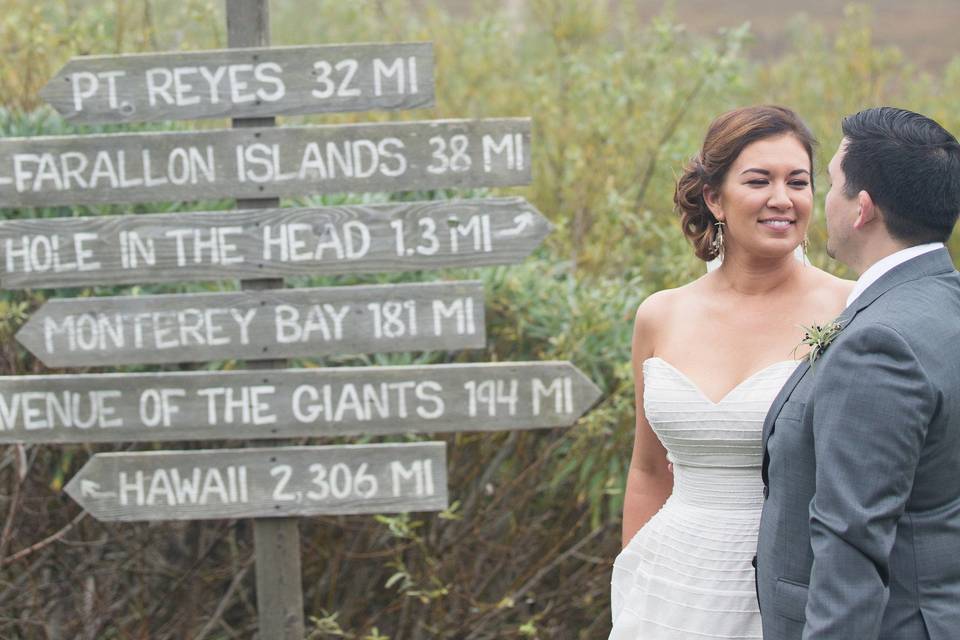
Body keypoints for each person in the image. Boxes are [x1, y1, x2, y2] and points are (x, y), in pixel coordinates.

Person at [610, 105, 852, 639]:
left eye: (798, 182)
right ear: (714, 198)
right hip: (669, 587)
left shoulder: (851, 312)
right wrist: (634, 585)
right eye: (758, 181)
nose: (782, 199)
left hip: (788, 588)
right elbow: (648, 470)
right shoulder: (660, 314)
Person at [757, 107, 960, 639]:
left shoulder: (880, 342)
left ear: (862, 210)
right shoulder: (945, 305)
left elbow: (851, 542)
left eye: (830, 186)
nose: (822, 202)